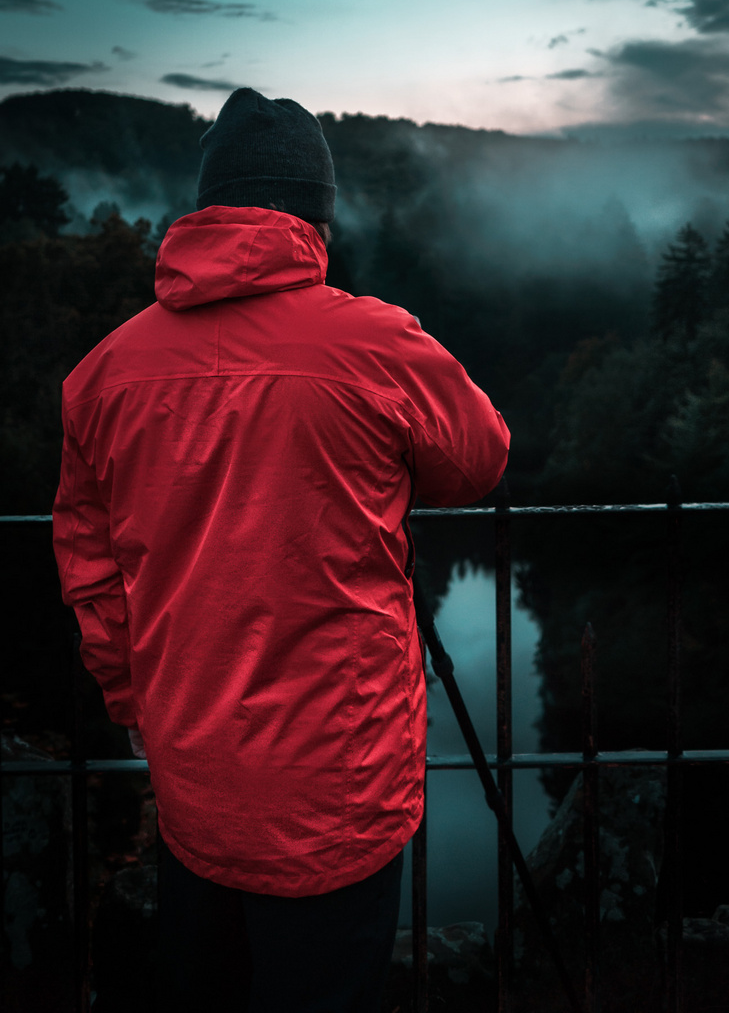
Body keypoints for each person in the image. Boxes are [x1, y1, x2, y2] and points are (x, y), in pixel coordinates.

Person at [53, 88, 510, 1012]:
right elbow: (480, 458)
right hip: (340, 789)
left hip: (192, 775)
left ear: (206, 206)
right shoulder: (376, 344)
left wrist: (131, 697)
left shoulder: (103, 375)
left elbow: (90, 566)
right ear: (316, 216)